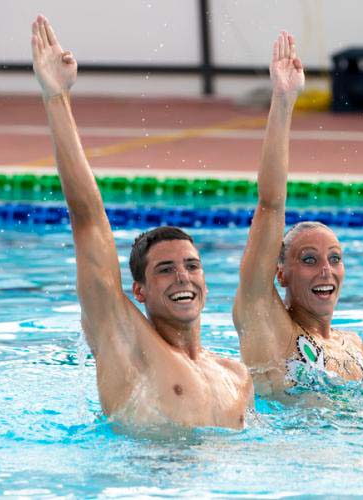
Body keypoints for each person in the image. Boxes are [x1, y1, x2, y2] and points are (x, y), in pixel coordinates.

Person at [31, 15, 253, 429]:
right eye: (165, 270)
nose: (183, 277)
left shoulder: (236, 376)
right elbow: (88, 219)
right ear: (139, 290)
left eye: (191, 266)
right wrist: (56, 98)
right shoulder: (125, 343)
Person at [233, 31, 363, 398]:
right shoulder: (269, 325)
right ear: (281, 273)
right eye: (308, 259)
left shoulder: (354, 346)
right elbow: (270, 205)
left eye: (334, 258)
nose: (326, 270)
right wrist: (283, 101)